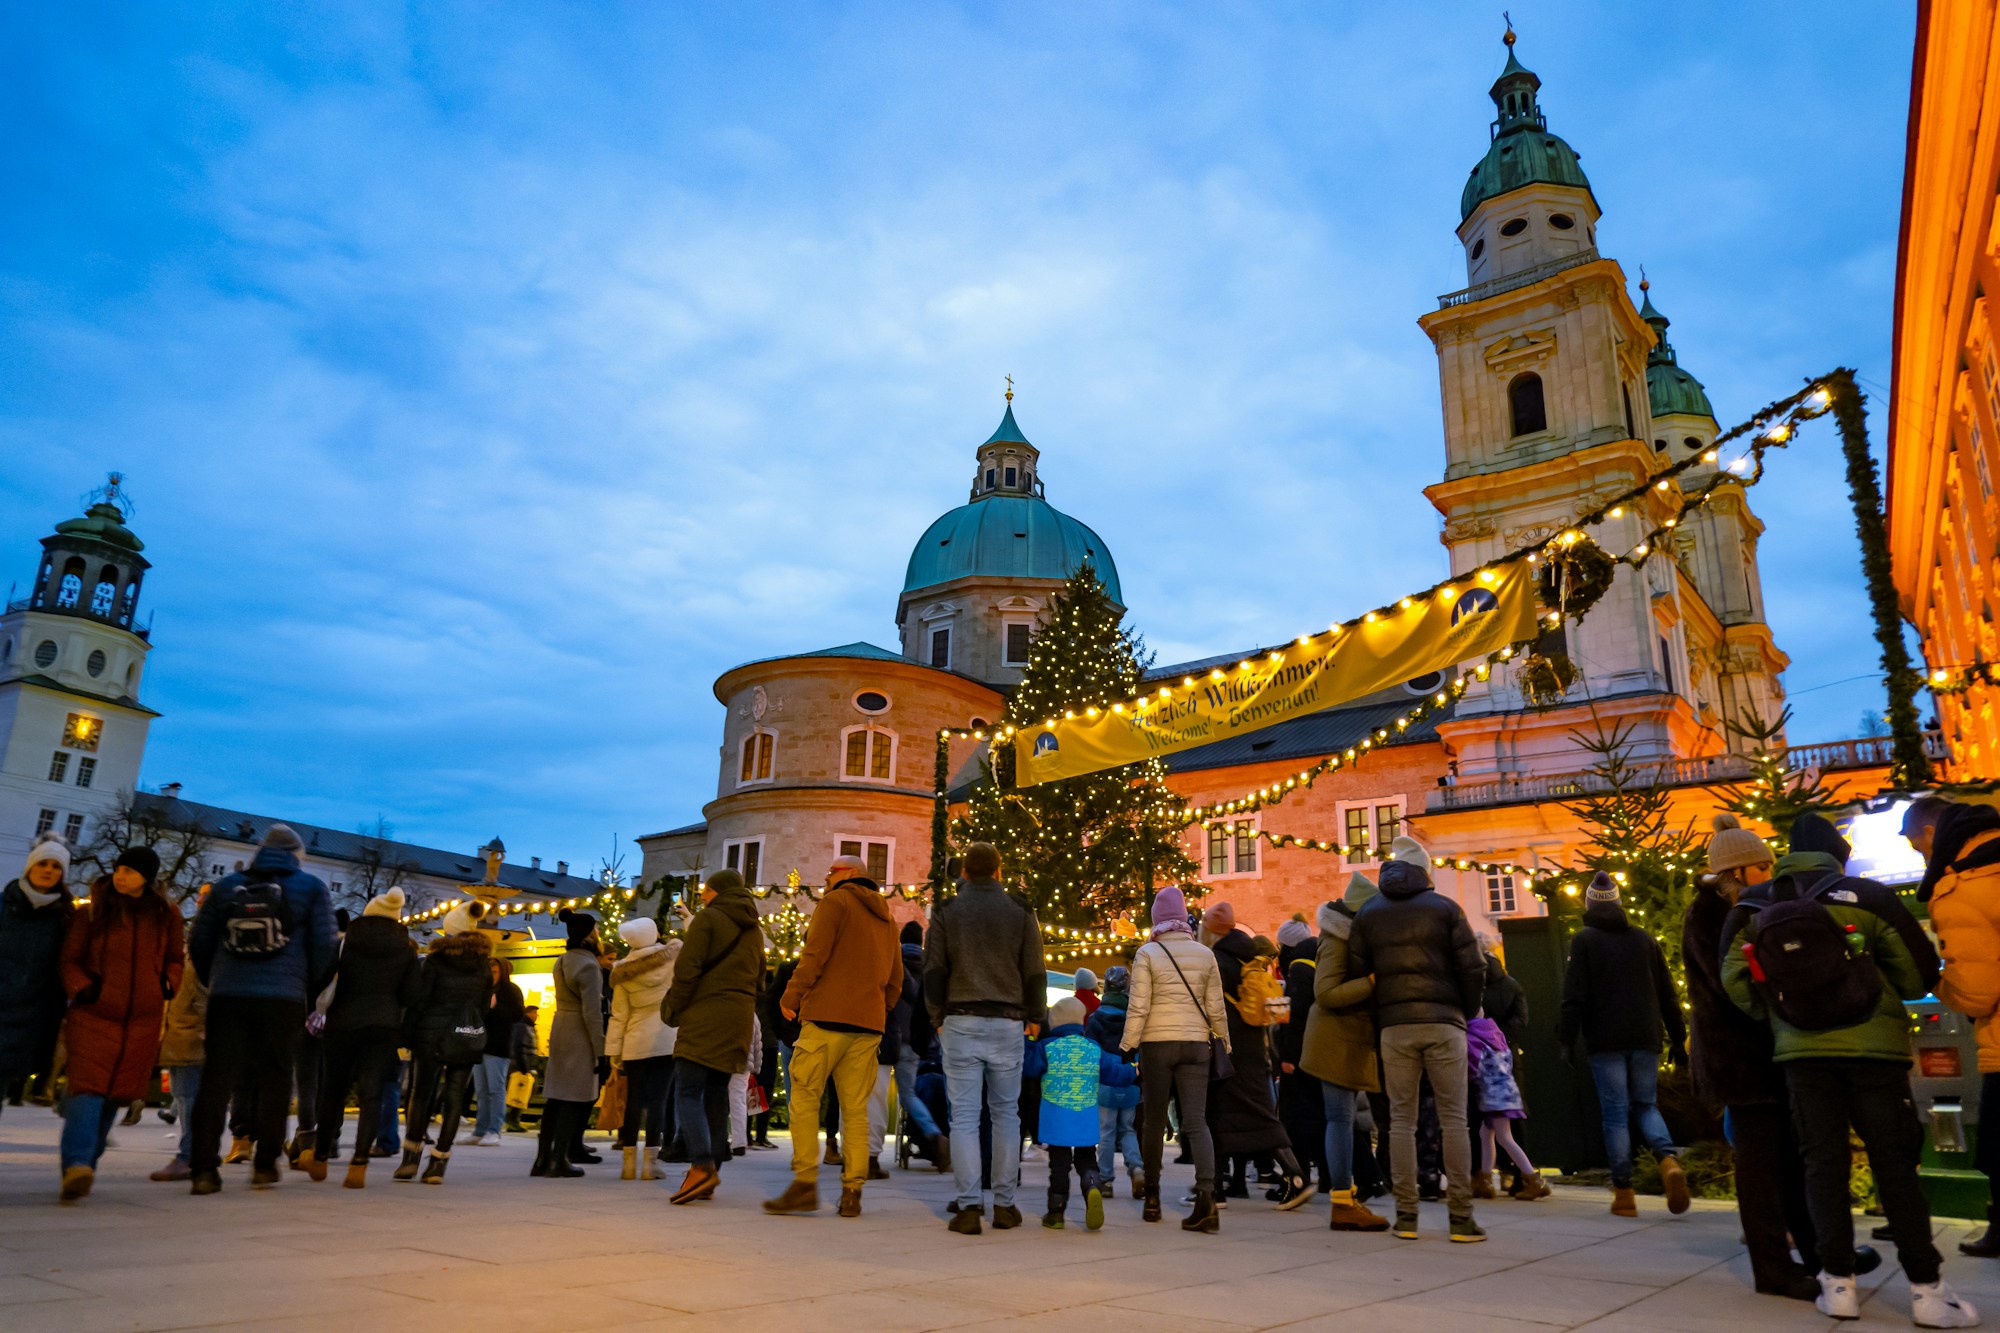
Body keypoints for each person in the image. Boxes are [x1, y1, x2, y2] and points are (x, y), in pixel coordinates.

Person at [1725, 809, 1975, 1327]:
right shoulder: (1867, 897)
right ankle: (1927, 1291)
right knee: (1894, 1167)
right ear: (1838, 854)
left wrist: (1780, 1015)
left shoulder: (1759, 903)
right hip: (1874, 1054)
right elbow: (1916, 975)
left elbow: (1732, 979)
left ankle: (1837, 1285)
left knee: (1822, 1166)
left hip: (1802, 1056)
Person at [186, 824, 336, 1195]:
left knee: (217, 1079)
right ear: (297, 855)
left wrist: (216, 979)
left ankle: (204, 1169)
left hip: (229, 995)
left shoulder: (227, 887)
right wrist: (305, 985)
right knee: (276, 1077)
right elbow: (325, 947)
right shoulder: (311, 888)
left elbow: (199, 940)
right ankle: (266, 1164)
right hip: (282, 998)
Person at [1346, 850, 1486, 1243]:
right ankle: (1461, 1217)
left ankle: (1406, 1216)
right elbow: (1474, 967)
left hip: (1394, 1026)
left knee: (1401, 1123)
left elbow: (1359, 970)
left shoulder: (1369, 912)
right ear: (1424, 872)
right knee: (1454, 1120)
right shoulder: (1445, 908)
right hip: (1445, 1023)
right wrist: (1466, 1008)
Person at [767, 856, 903, 1218]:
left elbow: (814, 954)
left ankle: (804, 1183)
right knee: (855, 1109)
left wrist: (791, 995)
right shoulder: (887, 917)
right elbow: (895, 978)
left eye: (832, 872)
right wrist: (878, 1008)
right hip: (867, 1026)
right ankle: (852, 1192)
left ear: (850, 875)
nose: (826, 879)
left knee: (805, 1098)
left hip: (826, 1019)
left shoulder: (836, 902)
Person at [924, 841, 1047, 1235]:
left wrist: (937, 1016)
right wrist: (1035, 1017)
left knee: (963, 1117)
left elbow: (935, 970)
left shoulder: (946, 910)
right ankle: (1005, 1205)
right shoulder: (1020, 909)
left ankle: (968, 1206)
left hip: (960, 1019)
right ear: (998, 870)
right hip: (1008, 1020)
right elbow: (1034, 968)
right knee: (1005, 1114)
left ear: (964, 872)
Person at [1560, 871, 1689, 1218]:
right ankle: (1668, 1161)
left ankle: (1624, 1193)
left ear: (1589, 906)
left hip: (1605, 1039)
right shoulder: (1644, 940)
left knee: (1615, 1115)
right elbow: (1667, 993)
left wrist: (1566, 1040)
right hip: (1645, 1036)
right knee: (1646, 1105)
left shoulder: (1584, 941)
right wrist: (1678, 1038)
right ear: (1618, 904)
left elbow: (1574, 997)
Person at [57, 847, 184, 1201]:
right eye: (119, 869)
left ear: (147, 877)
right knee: (88, 1090)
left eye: (129, 871)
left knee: (113, 1096)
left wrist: (167, 984)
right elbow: (70, 959)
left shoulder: (166, 914)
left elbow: (175, 958)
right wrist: (83, 989)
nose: (121, 876)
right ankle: (77, 1164)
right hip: (94, 1013)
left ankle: (84, 1167)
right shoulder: (94, 911)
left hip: (141, 1020)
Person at [1910, 797, 2000, 1258]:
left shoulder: (1962, 886)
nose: (1921, 858)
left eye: (1916, 847)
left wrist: (1938, 986)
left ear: (1930, 834)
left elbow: (1978, 992)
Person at [1123, 883, 1229, 1233]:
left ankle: (1151, 1198)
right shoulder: (1205, 954)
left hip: (1157, 1045)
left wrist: (1128, 1044)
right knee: (1196, 1122)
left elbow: (1139, 1006)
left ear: (1156, 920)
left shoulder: (1147, 953)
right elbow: (1216, 1006)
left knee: (1153, 1121)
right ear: (1184, 918)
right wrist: (1223, 1042)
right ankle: (1207, 1199)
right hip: (1196, 1045)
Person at [301, 885, 418, 1189]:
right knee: (372, 1094)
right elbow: (412, 994)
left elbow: (322, 976)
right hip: (383, 1026)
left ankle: (321, 1157)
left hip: (343, 1022)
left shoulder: (347, 940)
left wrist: (315, 1006)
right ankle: (359, 1165)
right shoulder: (406, 947)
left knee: (332, 1092)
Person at [662, 869, 764, 1204]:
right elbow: (760, 978)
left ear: (718, 891)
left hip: (706, 1014)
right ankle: (711, 1171)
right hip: (739, 1018)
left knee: (688, 1091)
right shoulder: (754, 929)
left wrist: (673, 1008)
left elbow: (687, 969)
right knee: (717, 1094)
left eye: (707, 890)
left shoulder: (708, 919)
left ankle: (702, 1166)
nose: (703, 895)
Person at [1300, 874, 1391, 1232]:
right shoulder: (1337, 938)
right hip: (1334, 1039)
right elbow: (1326, 993)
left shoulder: (1351, 937)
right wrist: (1370, 983)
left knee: (1345, 1118)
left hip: (1345, 1039)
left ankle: (1346, 1195)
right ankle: (1342, 1200)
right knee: (1340, 1117)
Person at [1211, 929, 1312, 1207]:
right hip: (1255, 1054)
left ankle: (1217, 1188)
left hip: (1230, 1053)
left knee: (1219, 1115)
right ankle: (1218, 1186)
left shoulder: (1222, 968)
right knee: (1258, 1116)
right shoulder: (1256, 974)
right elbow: (1274, 1020)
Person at [394, 902, 491, 1185]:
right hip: (465, 1036)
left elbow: (419, 1001)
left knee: (421, 1094)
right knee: (454, 1098)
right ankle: (439, 1162)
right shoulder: (483, 965)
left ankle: (410, 1158)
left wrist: (406, 1036)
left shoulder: (436, 960)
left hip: (431, 1035)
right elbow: (484, 1007)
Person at [1027, 995, 1137, 1229]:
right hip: (1085, 1118)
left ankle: (1056, 1214)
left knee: (1059, 1165)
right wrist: (1134, 1070)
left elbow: (1029, 1067)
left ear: (1054, 1021)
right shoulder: (1092, 1049)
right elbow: (1115, 1073)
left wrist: (1028, 1039)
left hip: (1056, 1119)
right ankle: (1092, 1186)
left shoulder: (1047, 1047)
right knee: (1086, 1160)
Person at [0, 840, 75, 1129]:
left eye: (56, 866)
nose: (48, 870)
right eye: (43, 863)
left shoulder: (62, 918)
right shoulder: (5, 905)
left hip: (25, 1022)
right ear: (30, 866)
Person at [535, 908, 607, 1179]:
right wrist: (600, 1050)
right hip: (578, 1031)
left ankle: (542, 1159)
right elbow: (592, 1012)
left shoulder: (563, 960)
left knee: (555, 1097)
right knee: (574, 1097)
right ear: (589, 935)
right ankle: (559, 1160)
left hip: (561, 1025)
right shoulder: (589, 964)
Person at [607, 915, 680, 1181]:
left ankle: (628, 1164)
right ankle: (651, 1163)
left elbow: (619, 1015)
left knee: (634, 1101)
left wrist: (614, 1051)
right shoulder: (672, 959)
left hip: (635, 1042)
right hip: (665, 1038)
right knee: (659, 1101)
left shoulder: (622, 971)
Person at [150, 886, 209, 1182]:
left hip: (189, 1031)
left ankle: (190, 1155)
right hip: (179, 1028)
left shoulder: (203, 941)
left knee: (187, 1097)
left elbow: (202, 991)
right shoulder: (193, 940)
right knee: (184, 1095)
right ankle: (197, 1152)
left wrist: (200, 1021)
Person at [1466, 1015, 1547, 1201]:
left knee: (1504, 1137)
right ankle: (1485, 1181)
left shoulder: (1471, 1037)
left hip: (1494, 1096)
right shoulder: (1496, 1035)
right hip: (1507, 1092)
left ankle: (1533, 1180)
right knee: (1486, 1134)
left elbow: (1472, 1068)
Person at [1275, 916, 1326, 1196]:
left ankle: (1298, 1175)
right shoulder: (1317, 969)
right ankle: (1327, 1176)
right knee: (1318, 1117)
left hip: (1297, 1059)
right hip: (1316, 1054)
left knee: (1295, 1119)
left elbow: (1294, 1020)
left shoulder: (1298, 974)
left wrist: (1287, 1056)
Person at [891, 921, 946, 1169]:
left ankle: (931, 1131)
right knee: (912, 1091)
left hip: (893, 1036)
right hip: (920, 1041)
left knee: (906, 1093)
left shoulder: (894, 964)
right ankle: (936, 1133)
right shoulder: (928, 966)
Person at [1084, 965, 1140, 1197]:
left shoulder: (1096, 1018)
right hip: (1130, 1081)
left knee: (1106, 1132)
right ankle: (1137, 1167)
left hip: (1105, 1083)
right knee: (1127, 1130)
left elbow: (1091, 1052)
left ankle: (1106, 1180)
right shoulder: (1133, 1017)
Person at [470, 955, 525, 1147]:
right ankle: (480, 1129)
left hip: (498, 1046)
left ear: (502, 972)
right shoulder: (484, 990)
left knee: (495, 1089)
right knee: (482, 1090)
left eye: (494, 972)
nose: (490, 975)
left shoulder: (510, 990)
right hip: (480, 1045)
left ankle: (494, 1130)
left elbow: (517, 1014)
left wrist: (495, 1007)